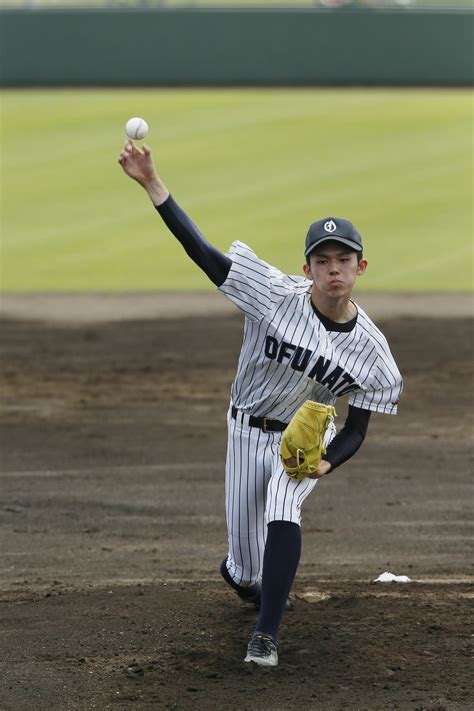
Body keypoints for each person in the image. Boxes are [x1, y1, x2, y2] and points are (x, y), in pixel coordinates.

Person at [118, 140, 403, 667]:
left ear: (361, 266)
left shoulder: (373, 351)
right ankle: (245, 579)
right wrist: (152, 184)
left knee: (283, 504)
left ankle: (266, 637)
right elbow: (202, 254)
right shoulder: (272, 293)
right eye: (323, 261)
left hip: (300, 443)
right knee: (248, 568)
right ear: (308, 267)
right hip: (246, 431)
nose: (333, 269)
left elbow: (358, 428)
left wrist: (326, 460)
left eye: (343, 260)